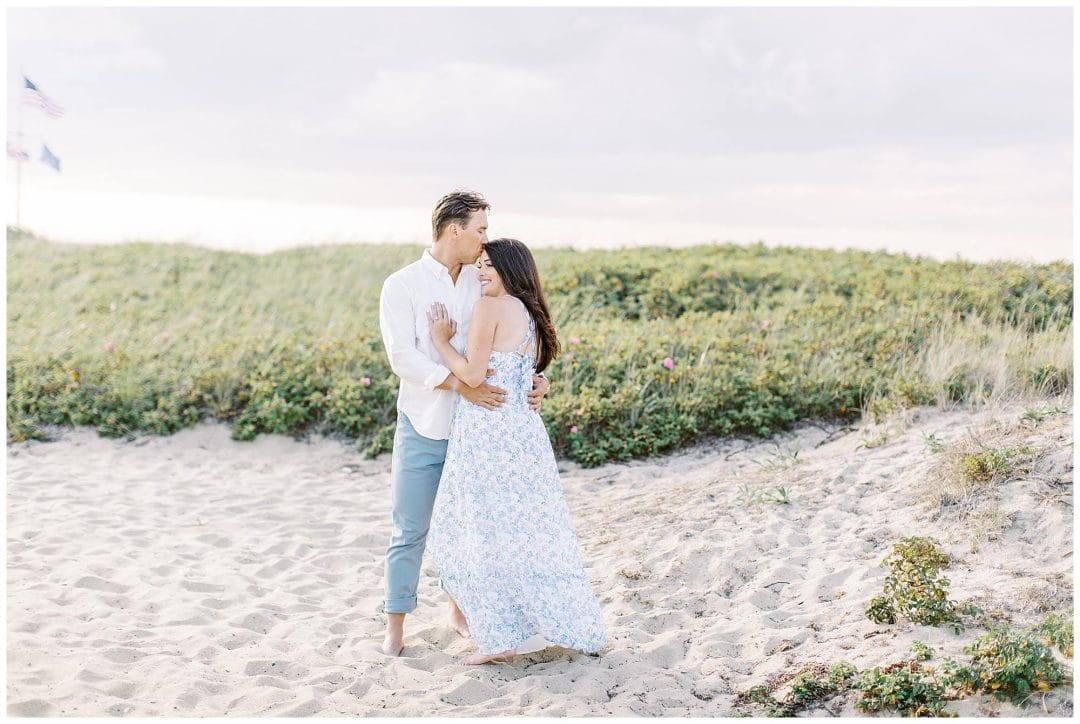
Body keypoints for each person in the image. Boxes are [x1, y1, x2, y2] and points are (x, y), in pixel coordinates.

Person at [377, 191, 550, 657]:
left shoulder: (483, 281)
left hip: (480, 433)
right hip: (423, 424)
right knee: (410, 527)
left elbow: (514, 336)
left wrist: (538, 378)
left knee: (471, 529)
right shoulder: (403, 285)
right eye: (480, 229)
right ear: (454, 229)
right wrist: (459, 385)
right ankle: (395, 628)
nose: (484, 239)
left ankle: (461, 612)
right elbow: (402, 358)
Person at [425, 238, 607, 665]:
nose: (481, 273)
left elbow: (472, 374)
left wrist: (440, 341)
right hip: (523, 435)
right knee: (526, 532)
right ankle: (529, 628)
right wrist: (540, 385)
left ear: (510, 269)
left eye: (489, 266)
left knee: (476, 528)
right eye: (480, 266)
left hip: (489, 434)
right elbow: (531, 372)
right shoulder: (528, 311)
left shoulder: (490, 306)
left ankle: (502, 635)